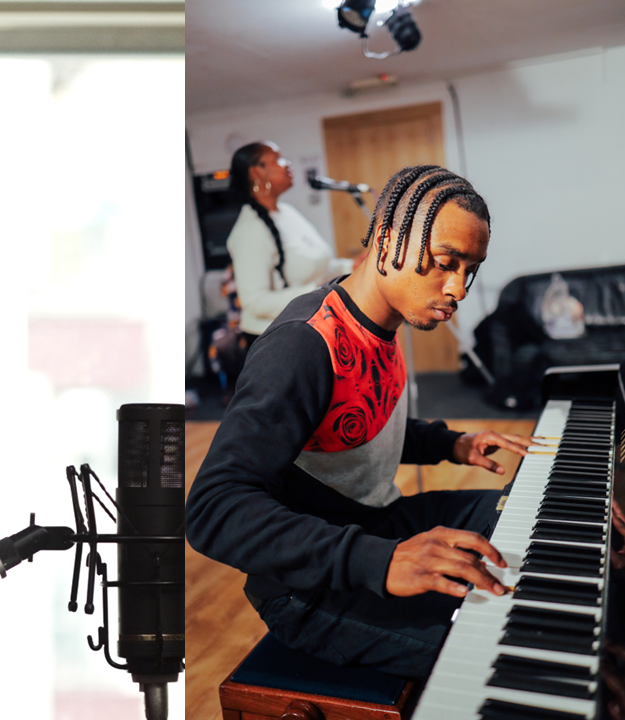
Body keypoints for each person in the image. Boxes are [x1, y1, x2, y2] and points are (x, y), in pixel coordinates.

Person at [186, 164, 534, 678]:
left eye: (470, 269)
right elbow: (213, 509)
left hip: (377, 523)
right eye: (444, 263)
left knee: (533, 526)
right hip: (311, 588)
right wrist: (380, 562)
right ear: (390, 240)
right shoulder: (302, 345)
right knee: (513, 654)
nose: (458, 288)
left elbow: (359, 420)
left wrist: (451, 444)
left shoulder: (382, 321)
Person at [226, 141, 354, 338]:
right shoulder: (249, 231)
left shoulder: (287, 213)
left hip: (306, 328)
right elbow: (255, 302)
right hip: (273, 340)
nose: (287, 164)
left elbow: (314, 269)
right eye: (277, 159)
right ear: (256, 173)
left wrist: (350, 267)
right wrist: (319, 293)